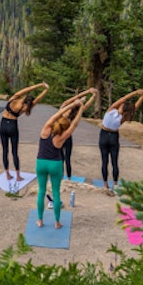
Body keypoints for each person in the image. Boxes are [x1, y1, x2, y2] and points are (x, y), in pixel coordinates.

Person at [36, 90, 95, 229]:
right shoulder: (62, 137)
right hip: (55, 164)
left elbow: (56, 114)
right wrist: (80, 107)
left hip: (41, 163)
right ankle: (57, 222)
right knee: (56, 192)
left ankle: (39, 220)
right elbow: (75, 124)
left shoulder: (45, 129)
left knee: (41, 191)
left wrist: (73, 104)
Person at [0, 81, 49, 183]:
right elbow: (38, 99)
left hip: (3, 124)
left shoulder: (14, 98)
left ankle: (7, 174)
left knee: (5, 150)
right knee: (14, 151)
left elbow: (26, 90)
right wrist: (46, 90)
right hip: (12, 126)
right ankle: (18, 176)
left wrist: (39, 84)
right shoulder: (26, 108)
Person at [99, 89, 143, 191]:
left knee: (104, 161)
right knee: (114, 161)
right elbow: (134, 108)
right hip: (114, 136)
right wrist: (141, 97)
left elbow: (123, 98)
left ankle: (105, 184)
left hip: (104, 135)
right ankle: (115, 184)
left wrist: (135, 92)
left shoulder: (111, 110)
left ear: (121, 106)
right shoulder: (123, 118)